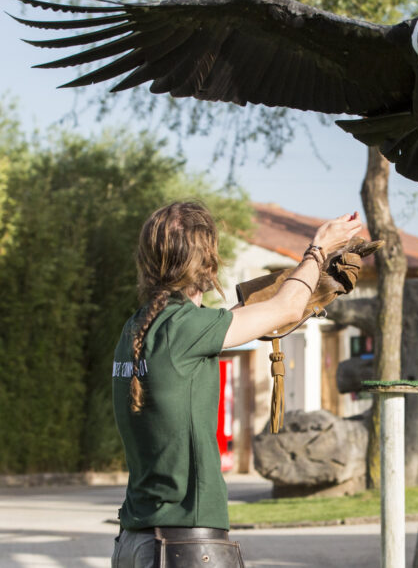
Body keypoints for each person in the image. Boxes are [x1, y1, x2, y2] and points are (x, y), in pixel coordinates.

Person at [110, 201, 363, 567]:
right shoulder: (187, 329)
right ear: (207, 264)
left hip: (133, 543)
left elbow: (230, 323)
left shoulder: (136, 329)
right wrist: (318, 249)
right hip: (184, 546)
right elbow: (286, 310)